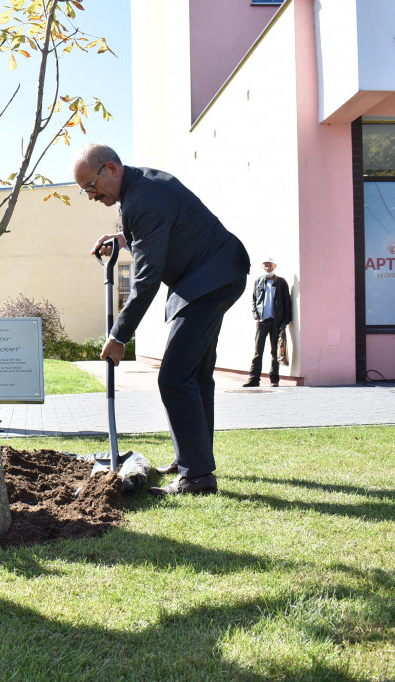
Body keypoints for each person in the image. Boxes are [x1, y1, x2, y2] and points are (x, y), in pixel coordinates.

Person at [72, 143, 250, 496]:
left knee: (173, 378)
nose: (90, 196)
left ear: (110, 168)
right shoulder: (141, 186)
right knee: (196, 377)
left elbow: (147, 281)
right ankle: (194, 460)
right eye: (84, 192)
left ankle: (196, 477)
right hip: (218, 273)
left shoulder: (142, 201)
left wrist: (119, 335)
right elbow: (161, 228)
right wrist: (123, 238)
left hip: (209, 281)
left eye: (91, 186)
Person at [243, 257, 292, 388]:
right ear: (262, 267)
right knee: (258, 352)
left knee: (274, 352)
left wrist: (285, 322)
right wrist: (256, 316)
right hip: (262, 322)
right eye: (265, 265)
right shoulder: (258, 281)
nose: (267, 267)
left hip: (276, 322)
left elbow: (287, 303)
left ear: (274, 266)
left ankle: (274, 380)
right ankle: (254, 379)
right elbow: (254, 300)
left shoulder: (281, 282)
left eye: (270, 265)